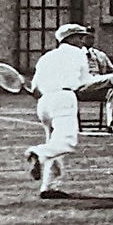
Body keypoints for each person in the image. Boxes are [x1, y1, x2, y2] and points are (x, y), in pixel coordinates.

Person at [24, 24, 96, 199]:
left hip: (44, 103)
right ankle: (37, 153)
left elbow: (35, 90)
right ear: (70, 39)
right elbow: (85, 82)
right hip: (64, 99)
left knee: (55, 144)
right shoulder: (79, 54)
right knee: (67, 142)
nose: (83, 40)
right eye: (79, 37)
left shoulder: (46, 57)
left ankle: (48, 187)